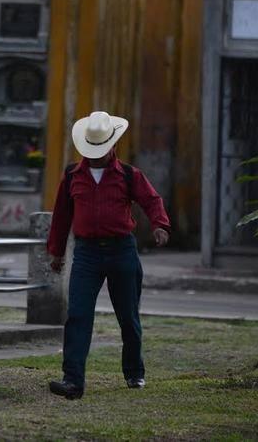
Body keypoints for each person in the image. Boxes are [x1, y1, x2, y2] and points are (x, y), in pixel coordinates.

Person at [47, 111, 170, 400]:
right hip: (86, 254)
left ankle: (133, 372)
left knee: (128, 317)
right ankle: (73, 381)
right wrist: (56, 252)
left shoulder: (128, 174)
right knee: (77, 315)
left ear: (111, 145)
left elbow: (152, 200)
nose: (95, 155)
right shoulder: (72, 176)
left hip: (121, 251)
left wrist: (160, 225)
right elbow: (61, 217)